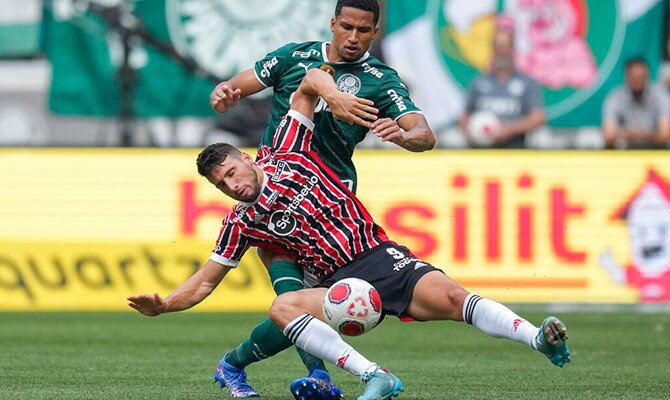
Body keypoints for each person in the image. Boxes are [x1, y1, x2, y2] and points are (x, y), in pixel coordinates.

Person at [128, 68, 571, 400]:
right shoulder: (240, 222)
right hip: (336, 285)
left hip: (380, 256)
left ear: (245, 158)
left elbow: (310, 79)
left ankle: (539, 340)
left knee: (456, 299)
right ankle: (375, 376)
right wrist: (165, 305)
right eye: (220, 185)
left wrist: (335, 98)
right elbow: (205, 280)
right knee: (283, 306)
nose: (230, 185)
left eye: (229, 172)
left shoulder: (285, 150)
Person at [207, 0, 434, 397]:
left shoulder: (380, 79)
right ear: (332, 23)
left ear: (374, 32)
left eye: (363, 31)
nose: (353, 37)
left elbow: (424, 135)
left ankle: (235, 363)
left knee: (311, 308)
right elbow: (235, 86)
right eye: (346, 27)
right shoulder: (293, 57)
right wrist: (225, 94)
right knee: (290, 299)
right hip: (275, 200)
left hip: (332, 204)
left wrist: (404, 137)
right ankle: (321, 378)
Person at [458, 16, 546, 149]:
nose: (501, 52)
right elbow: (463, 116)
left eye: (505, 47)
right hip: (482, 151)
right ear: (492, 49)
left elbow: (538, 117)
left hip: (514, 150)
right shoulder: (480, 81)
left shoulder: (526, 83)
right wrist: (473, 131)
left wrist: (509, 130)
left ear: (512, 49)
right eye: (498, 47)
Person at [602, 57, 670, 149]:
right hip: (625, 150)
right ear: (626, 77)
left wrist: (638, 135)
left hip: (656, 150)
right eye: (633, 77)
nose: (638, 81)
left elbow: (665, 135)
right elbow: (608, 136)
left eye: (641, 77)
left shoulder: (661, 95)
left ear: (648, 76)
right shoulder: (615, 97)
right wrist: (632, 135)